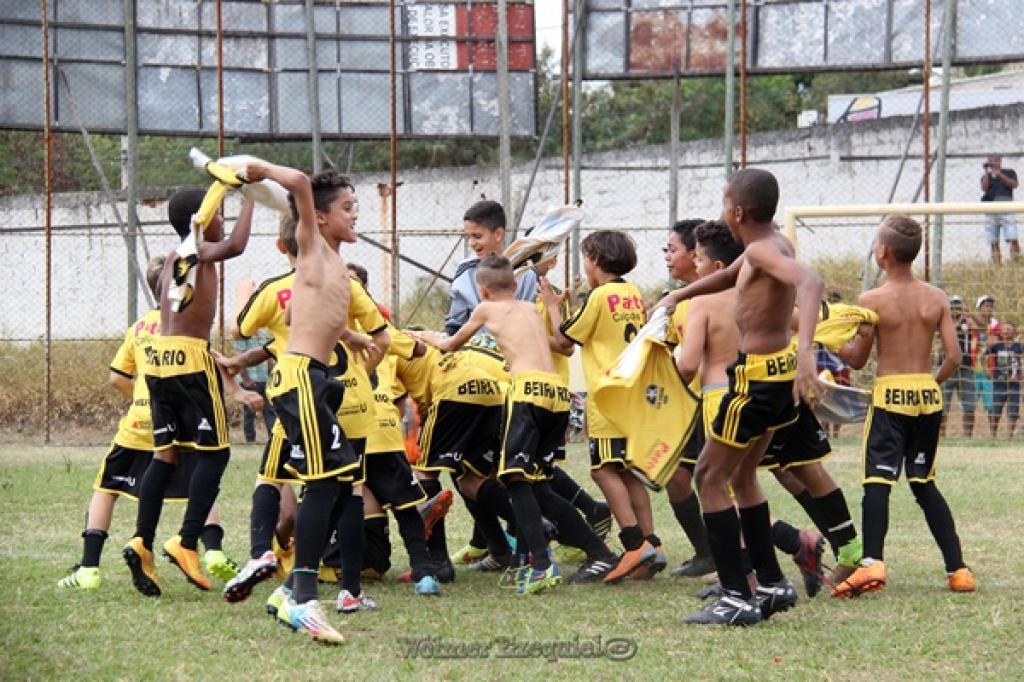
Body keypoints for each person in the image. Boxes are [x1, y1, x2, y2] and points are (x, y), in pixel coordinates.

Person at [656, 168, 824, 626]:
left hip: (755, 380)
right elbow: (730, 275)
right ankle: (769, 583)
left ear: (736, 211)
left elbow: (810, 282)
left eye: (722, 202)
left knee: (709, 476)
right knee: (744, 476)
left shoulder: (767, 250)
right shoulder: (764, 246)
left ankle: (734, 595)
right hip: (770, 375)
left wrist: (807, 350)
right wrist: (677, 297)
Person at [423, 255, 620, 593]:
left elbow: (450, 344)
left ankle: (541, 565)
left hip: (527, 392)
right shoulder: (531, 309)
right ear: (514, 286)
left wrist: (426, 335)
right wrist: (554, 307)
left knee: (514, 479)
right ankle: (600, 554)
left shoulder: (485, 310)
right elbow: (564, 347)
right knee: (538, 485)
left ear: (482, 291)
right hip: (558, 394)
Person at [58, 256, 238, 590]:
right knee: (202, 478)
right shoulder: (186, 323)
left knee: (107, 487)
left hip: (142, 419)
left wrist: (140, 398)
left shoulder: (139, 327)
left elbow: (116, 377)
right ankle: (212, 551)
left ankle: (89, 568)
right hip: (181, 416)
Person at [123, 191, 260, 597]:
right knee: (215, 453)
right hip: (188, 357)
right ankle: (185, 543)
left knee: (164, 455)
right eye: (222, 212)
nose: (226, 219)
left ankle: (141, 541)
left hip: (158, 359)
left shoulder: (172, 256)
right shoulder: (201, 250)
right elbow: (237, 245)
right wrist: (253, 197)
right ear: (203, 218)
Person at [247, 162, 361, 644]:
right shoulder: (312, 246)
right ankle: (302, 600)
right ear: (321, 217)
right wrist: (256, 170)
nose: (356, 216)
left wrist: (350, 333)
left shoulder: (332, 261)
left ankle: (293, 590)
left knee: (337, 479)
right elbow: (295, 184)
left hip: (315, 378)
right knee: (322, 482)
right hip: (298, 379)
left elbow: (296, 311)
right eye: (348, 208)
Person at [833, 215, 975, 597]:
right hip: (927, 395)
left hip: (890, 395)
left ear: (882, 252)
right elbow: (954, 356)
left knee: (877, 482)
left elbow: (858, 359)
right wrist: (930, 384)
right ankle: (958, 569)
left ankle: (872, 565)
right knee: (924, 483)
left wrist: (829, 340)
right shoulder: (936, 297)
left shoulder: (871, 300)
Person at [552, 230, 664, 583]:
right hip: (632, 393)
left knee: (602, 470)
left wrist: (553, 307)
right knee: (627, 471)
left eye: (586, 257)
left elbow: (562, 340)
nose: (584, 264)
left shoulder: (600, 296)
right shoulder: (632, 293)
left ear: (597, 260)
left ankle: (633, 546)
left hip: (606, 395)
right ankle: (651, 545)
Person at [442, 200, 539, 566]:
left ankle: (524, 538)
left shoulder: (527, 273)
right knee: (470, 464)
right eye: (469, 237)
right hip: (475, 377)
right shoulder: (464, 273)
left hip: (512, 378)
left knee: (504, 465)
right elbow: (453, 326)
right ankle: (496, 543)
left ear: (499, 234)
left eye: (478, 236)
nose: (473, 243)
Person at [662, 218, 715, 578]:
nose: (666, 256)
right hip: (688, 406)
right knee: (677, 477)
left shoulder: (712, 297)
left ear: (695, 254)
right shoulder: (676, 303)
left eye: (672, 249)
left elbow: (689, 363)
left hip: (714, 402)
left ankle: (795, 542)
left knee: (793, 474)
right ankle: (707, 552)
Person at [231, 280, 274, 444]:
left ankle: (272, 437)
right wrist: (246, 379)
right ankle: (250, 440)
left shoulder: (263, 332)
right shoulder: (243, 332)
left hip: (264, 378)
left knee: (269, 409)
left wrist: (271, 373)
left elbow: (268, 354)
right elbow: (239, 356)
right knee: (250, 410)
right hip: (250, 379)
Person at [940, 295, 977, 438]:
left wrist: (969, 315)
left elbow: (981, 328)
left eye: (958, 305)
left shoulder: (967, 322)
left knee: (969, 404)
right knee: (942, 404)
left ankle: (968, 436)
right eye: (952, 305)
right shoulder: (942, 321)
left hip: (965, 367)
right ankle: (942, 435)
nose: (955, 308)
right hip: (946, 365)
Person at [980, 154, 1020, 264]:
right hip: (991, 208)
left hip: (1006, 206)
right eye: (991, 162)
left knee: (1012, 237)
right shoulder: (986, 176)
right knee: (993, 240)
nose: (993, 164)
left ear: (1000, 161)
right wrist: (987, 172)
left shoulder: (1009, 172)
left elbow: (1014, 185)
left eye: (995, 161)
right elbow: (984, 188)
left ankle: (1016, 262)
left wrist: (1000, 175)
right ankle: (997, 263)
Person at [985, 322, 1022, 439]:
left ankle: (1009, 437)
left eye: (1010, 329)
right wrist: (987, 370)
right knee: (996, 410)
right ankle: (993, 435)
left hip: (1014, 384)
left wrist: (1022, 373)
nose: (1007, 331)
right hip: (998, 384)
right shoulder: (996, 346)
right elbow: (984, 356)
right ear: (1001, 332)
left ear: (1015, 332)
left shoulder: (1019, 346)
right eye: (1005, 329)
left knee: (1013, 411)